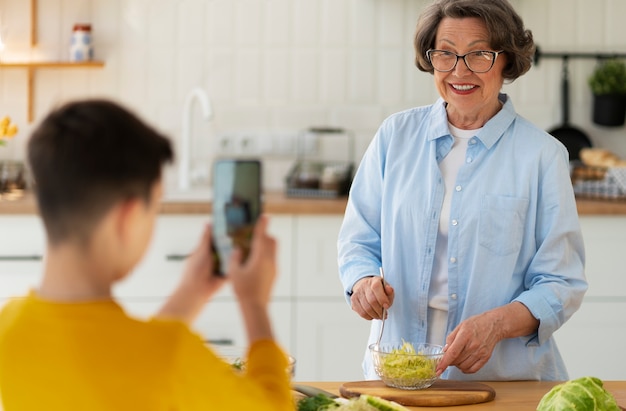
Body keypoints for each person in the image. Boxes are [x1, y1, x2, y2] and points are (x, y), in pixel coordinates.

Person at [337, 0, 587, 381]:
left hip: (503, 380)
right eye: (446, 55)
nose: (460, 71)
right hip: (397, 372)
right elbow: (358, 238)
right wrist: (362, 282)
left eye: (478, 55)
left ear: (507, 61)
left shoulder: (543, 156)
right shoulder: (395, 137)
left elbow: (561, 282)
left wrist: (497, 324)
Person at [0, 100, 293, 410]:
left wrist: (190, 292)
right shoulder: (175, 359)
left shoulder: (10, 328)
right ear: (127, 218)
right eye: (155, 207)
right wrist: (253, 303)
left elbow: (122, 363)